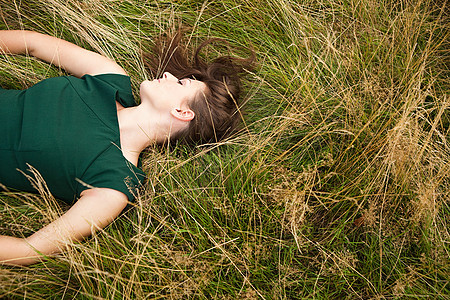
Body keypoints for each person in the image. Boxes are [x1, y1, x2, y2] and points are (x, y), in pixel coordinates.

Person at [0, 29, 252, 266]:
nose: (169, 76)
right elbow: (33, 44)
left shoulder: (114, 183)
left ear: (182, 112)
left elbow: (30, 249)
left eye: (181, 84)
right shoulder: (109, 78)